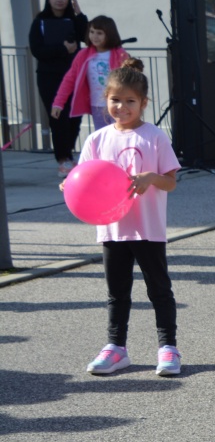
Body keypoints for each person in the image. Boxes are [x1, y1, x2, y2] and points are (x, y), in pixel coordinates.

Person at [73, 59, 181, 376]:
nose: (122, 107)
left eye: (130, 101)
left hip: (147, 228)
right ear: (106, 101)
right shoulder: (97, 139)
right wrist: (71, 185)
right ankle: (116, 348)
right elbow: (83, 179)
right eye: (115, 100)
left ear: (143, 103)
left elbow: (171, 181)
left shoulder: (155, 137)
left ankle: (168, 348)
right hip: (112, 229)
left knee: (159, 290)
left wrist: (151, 178)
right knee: (117, 293)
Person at [29, 0, 90, 177]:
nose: (59, 0)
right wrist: (63, 49)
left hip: (74, 75)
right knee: (58, 118)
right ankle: (62, 159)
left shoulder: (73, 19)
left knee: (75, 116)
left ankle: (69, 155)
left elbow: (88, 38)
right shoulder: (40, 22)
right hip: (49, 77)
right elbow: (37, 50)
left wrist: (80, 15)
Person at [51, 16, 129, 131]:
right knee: (102, 138)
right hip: (97, 105)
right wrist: (58, 103)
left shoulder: (120, 55)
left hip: (119, 104)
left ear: (109, 34)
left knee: (122, 135)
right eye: (92, 32)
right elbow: (69, 80)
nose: (94, 36)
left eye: (99, 33)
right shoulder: (83, 55)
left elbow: (131, 80)